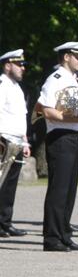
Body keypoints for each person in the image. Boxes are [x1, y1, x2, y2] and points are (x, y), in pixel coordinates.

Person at [37, 41, 78, 252]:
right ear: (66, 57)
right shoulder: (55, 79)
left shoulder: (73, 81)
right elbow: (46, 110)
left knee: (69, 190)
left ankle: (64, 233)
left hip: (71, 137)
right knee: (59, 190)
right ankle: (52, 238)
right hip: (59, 136)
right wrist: (74, 119)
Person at [0, 49, 30, 238]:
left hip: (17, 141)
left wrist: (25, 141)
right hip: (4, 140)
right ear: (7, 65)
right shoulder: (2, 85)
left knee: (10, 186)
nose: (22, 68)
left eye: (23, 65)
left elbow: (20, 118)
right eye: (19, 64)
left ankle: (5, 222)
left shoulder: (16, 87)